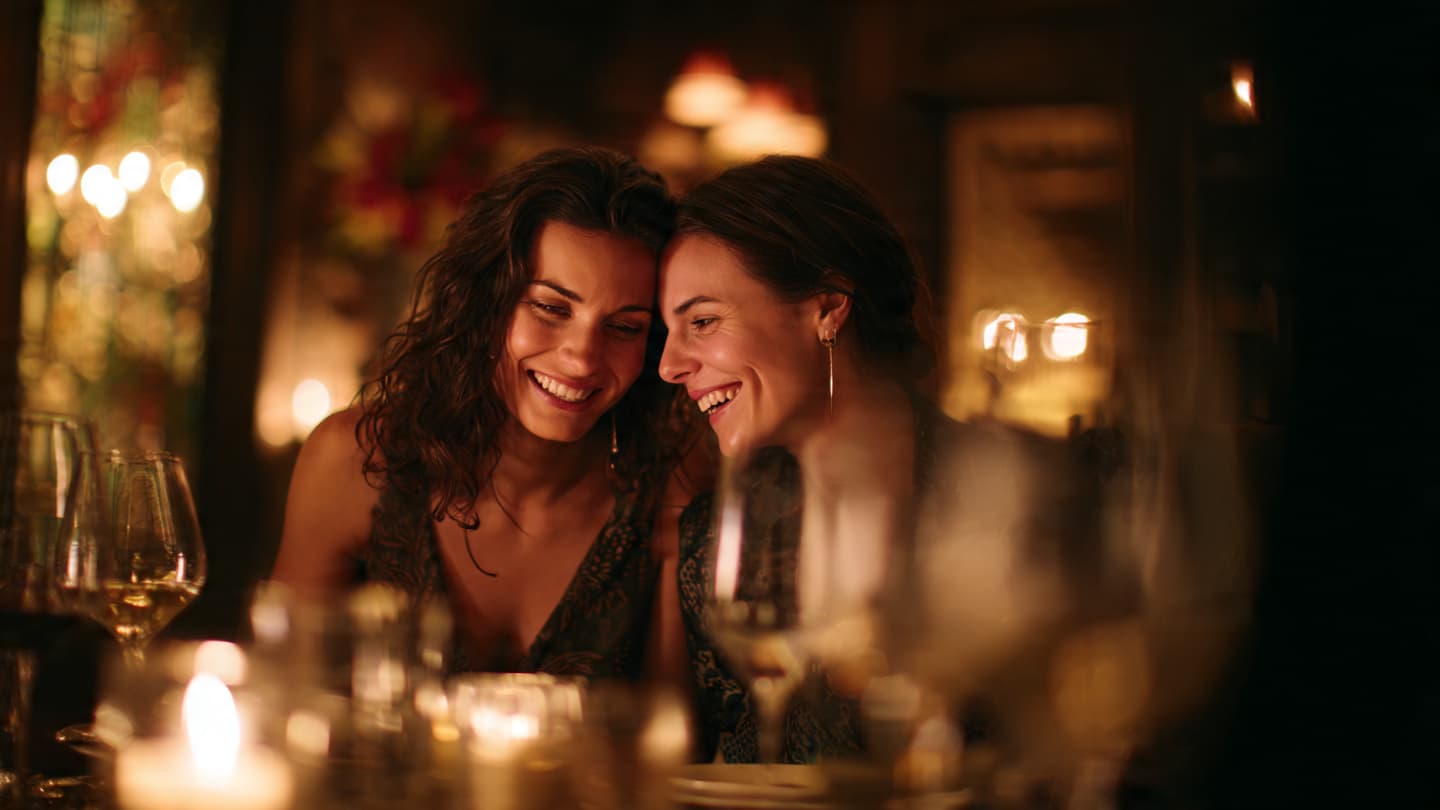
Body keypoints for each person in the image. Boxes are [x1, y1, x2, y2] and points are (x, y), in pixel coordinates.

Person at [657, 155, 1099, 767]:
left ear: (826, 309)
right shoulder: (720, 543)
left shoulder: (1015, 493)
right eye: (667, 332)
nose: (669, 364)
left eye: (702, 321)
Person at [271, 146, 699, 680]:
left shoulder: (667, 482)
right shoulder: (355, 460)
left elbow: (670, 744)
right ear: (485, 302)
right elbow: (281, 695)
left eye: (624, 327)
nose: (583, 357)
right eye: (551, 307)